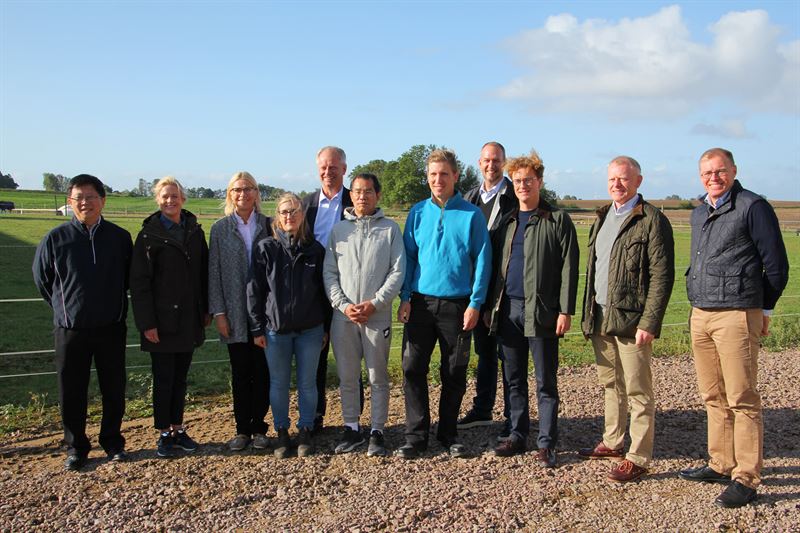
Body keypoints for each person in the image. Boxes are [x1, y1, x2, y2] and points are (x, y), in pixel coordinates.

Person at [679, 148, 789, 508]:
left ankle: (746, 476)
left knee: (742, 398)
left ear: (734, 170)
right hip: (702, 312)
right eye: (707, 172)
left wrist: (763, 308)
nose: (714, 177)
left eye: (720, 171)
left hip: (737, 313)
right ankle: (721, 463)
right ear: (700, 176)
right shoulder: (699, 212)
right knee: (712, 394)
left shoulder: (753, 207)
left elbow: (776, 266)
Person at [578, 156, 675, 482]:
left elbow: (662, 276)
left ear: (638, 181)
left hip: (633, 320)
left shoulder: (652, 220)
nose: (617, 184)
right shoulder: (603, 216)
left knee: (637, 389)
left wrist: (650, 321)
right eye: (612, 179)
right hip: (601, 315)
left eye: (623, 178)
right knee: (611, 383)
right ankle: (613, 441)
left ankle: (639, 456)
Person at [484, 152, 579, 468]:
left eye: (528, 180)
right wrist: (490, 307)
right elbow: (495, 268)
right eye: (517, 181)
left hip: (542, 311)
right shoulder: (508, 221)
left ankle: (547, 442)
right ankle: (517, 433)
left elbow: (569, 268)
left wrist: (565, 310)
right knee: (513, 378)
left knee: (545, 381)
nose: (523, 185)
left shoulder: (557, 220)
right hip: (507, 309)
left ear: (539, 181)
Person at [396, 149, 492, 459]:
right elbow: (409, 258)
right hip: (420, 304)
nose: (438, 180)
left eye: (444, 174)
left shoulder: (471, 215)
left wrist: (475, 303)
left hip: (458, 305)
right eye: (433, 174)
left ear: (455, 176)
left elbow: (483, 261)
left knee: (454, 372)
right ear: (427, 177)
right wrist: (405, 297)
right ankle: (416, 436)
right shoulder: (417, 213)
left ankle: (448, 433)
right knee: (412, 368)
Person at [33, 174, 132, 471]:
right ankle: (76, 447)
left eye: (91, 197)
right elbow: (42, 280)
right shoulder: (55, 239)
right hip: (70, 329)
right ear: (70, 202)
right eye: (79, 198)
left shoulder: (119, 238)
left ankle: (112, 442)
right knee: (71, 390)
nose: (85, 202)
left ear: (103, 201)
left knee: (113, 387)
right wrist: (64, 309)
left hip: (111, 327)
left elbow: (129, 278)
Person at [323, 173, 405, 457]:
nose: (362, 196)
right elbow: (329, 273)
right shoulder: (339, 231)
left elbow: (397, 271)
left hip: (376, 317)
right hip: (344, 318)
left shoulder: (390, 230)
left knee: (377, 377)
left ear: (377, 195)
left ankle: (377, 431)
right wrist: (344, 305)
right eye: (357, 191)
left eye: (368, 191)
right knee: (347, 377)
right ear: (351, 195)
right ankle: (351, 428)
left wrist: (376, 303)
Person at [130, 176, 209, 459]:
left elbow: (204, 274)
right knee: (164, 379)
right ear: (157, 200)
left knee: (181, 378)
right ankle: (164, 433)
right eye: (165, 196)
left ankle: (178, 427)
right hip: (161, 322)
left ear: (183, 199)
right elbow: (139, 283)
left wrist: (205, 309)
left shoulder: (195, 232)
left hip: (188, 319)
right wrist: (147, 323)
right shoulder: (148, 236)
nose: (170, 200)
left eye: (174, 196)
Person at [248, 193, 328, 459]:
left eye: (294, 211)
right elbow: (254, 290)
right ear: (277, 217)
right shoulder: (265, 248)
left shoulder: (315, 250)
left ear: (302, 215)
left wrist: (326, 327)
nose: (289, 216)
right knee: (279, 383)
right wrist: (257, 328)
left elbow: (324, 292)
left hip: (310, 330)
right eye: (284, 212)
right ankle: (282, 431)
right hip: (276, 330)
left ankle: (305, 429)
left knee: (307, 383)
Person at [209, 171, 272, 452]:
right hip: (233, 312)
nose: (243, 194)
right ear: (229, 194)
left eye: (248, 189)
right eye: (237, 189)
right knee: (240, 372)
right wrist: (219, 312)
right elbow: (214, 274)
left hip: (264, 312)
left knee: (262, 371)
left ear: (256, 193)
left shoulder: (269, 225)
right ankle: (242, 429)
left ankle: (259, 428)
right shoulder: (220, 229)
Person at [459, 141, 518, 433]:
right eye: (486, 160)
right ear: (479, 163)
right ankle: (482, 409)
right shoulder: (469, 198)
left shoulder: (514, 197)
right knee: (484, 352)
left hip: (504, 289)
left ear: (503, 163)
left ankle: (513, 417)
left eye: (496, 160)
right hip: (476, 289)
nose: (491, 165)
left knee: (508, 354)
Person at [301, 146, 354, 432]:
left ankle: (353, 419)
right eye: (323, 167)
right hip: (313, 290)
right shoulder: (306, 205)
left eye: (333, 167)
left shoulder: (355, 201)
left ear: (344, 169)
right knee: (315, 356)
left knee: (350, 355)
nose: (328, 172)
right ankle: (315, 415)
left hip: (350, 288)